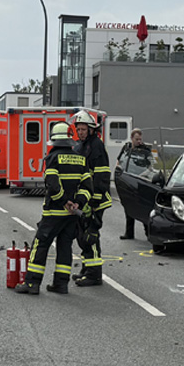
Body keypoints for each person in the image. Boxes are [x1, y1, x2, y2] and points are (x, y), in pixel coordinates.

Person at [15, 122, 92, 295]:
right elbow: (87, 187)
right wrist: (77, 203)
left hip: (53, 213)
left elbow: (52, 185)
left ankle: (32, 283)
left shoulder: (52, 158)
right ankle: (61, 284)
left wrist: (64, 201)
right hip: (72, 215)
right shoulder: (81, 159)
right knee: (65, 247)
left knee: (41, 245)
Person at [70, 110, 111, 286]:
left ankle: (94, 275)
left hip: (96, 200)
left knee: (90, 235)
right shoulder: (81, 146)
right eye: (78, 129)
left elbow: (101, 175)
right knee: (82, 236)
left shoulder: (96, 146)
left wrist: (95, 201)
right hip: (85, 200)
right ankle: (87, 268)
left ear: (91, 129)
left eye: (83, 129)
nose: (80, 132)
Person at [118, 128, 153, 240]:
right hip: (128, 179)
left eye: (140, 139)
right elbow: (119, 161)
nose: (139, 141)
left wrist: (144, 175)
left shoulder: (145, 150)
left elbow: (151, 166)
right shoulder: (126, 148)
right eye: (137, 139)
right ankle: (129, 233)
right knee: (128, 206)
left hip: (140, 180)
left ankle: (148, 233)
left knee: (142, 207)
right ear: (132, 138)